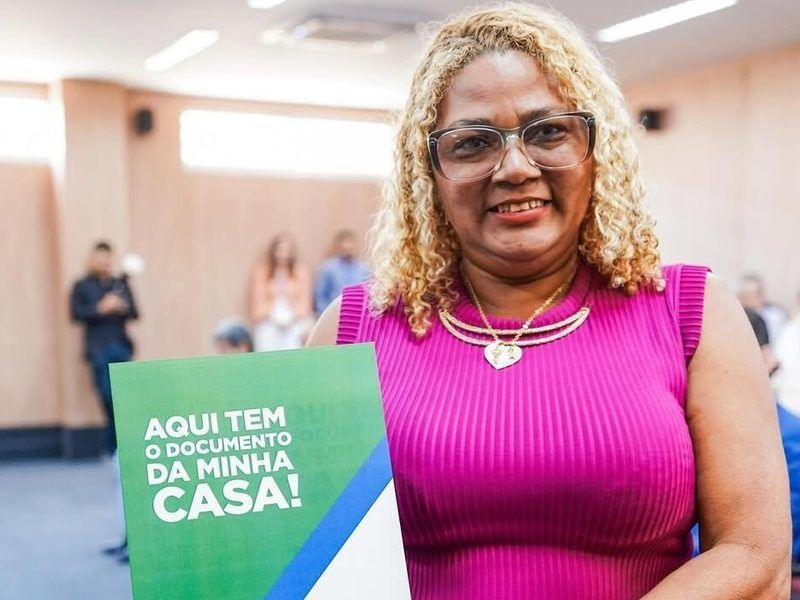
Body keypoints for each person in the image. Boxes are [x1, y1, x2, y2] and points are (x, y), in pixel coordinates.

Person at [308, 4, 790, 598]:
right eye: (472, 143)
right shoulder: (354, 330)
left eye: (547, 132)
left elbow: (754, 555)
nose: (514, 168)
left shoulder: (691, 314)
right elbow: (296, 559)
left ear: (596, 149)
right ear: (428, 173)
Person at [70, 240, 139, 453]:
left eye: (107, 258)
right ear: (92, 259)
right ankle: (114, 442)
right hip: (98, 348)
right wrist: (100, 308)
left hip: (121, 345)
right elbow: (75, 314)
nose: (104, 262)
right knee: (107, 395)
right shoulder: (82, 285)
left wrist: (121, 306)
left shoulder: (120, 284)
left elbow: (135, 313)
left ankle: (123, 444)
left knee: (123, 397)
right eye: (100, 258)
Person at [250, 233, 313, 351]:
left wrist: (291, 310)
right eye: (280, 250)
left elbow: (305, 305)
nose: (283, 254)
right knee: (264, 333)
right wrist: (272, 312)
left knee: (296, 336)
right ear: (273, 251)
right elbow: (257, 306)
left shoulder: (300, 270)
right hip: (268, 319)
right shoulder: (263, 271)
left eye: (287, 250)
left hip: (293, 320)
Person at [313, 230, 371, 314]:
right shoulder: (329, 268)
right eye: (344, 242)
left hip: (358, 313)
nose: (347, 246)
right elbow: (321, 296)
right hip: (335, 313)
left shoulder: (364, 269)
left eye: (350, 242)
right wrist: (326, 315)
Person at [739, 273, 788, 348]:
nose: (750, 299)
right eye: (746, 296)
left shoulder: (776, 315)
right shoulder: (738, 317)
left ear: (761, 294)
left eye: (754, 294)